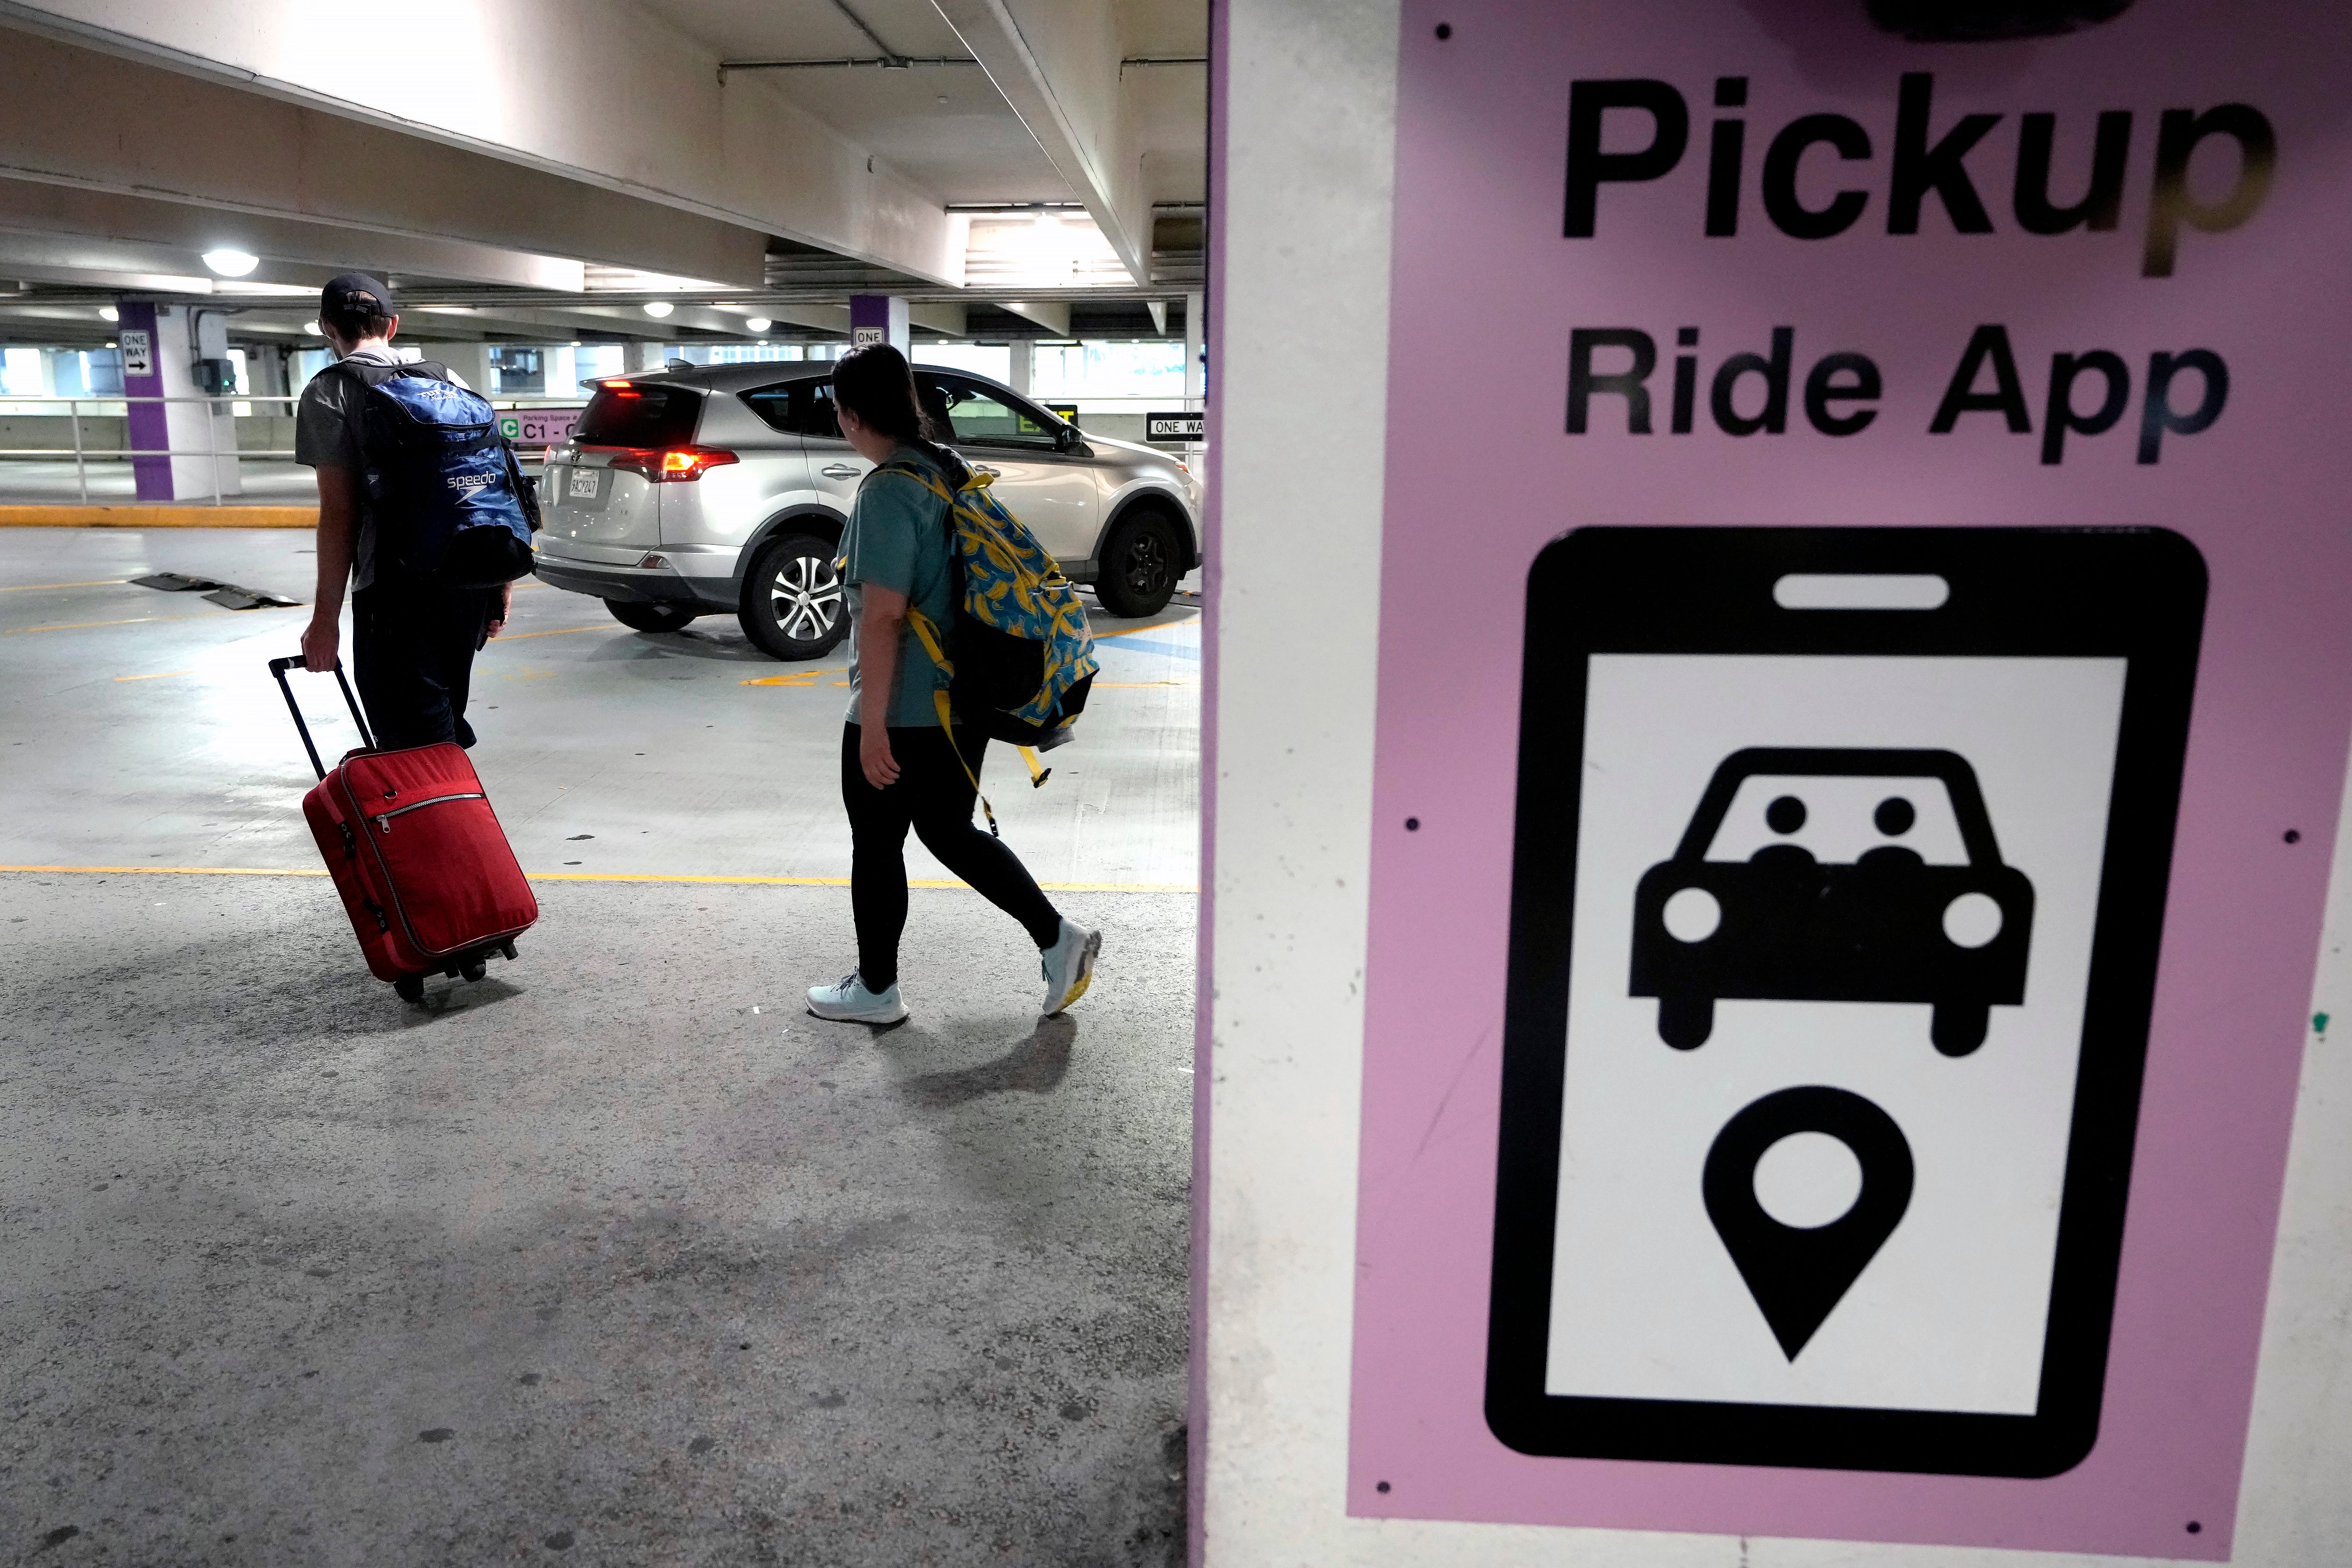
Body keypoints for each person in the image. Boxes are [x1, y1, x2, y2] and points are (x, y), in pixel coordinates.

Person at [806, 345, 1101, 1024]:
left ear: (850, 416)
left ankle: (877, 989)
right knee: (947, 829)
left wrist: (871, 724)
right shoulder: (944, 466)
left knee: (878, 842)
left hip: (906, 709)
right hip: (961, 699)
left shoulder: (886, 490)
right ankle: (1059, 939)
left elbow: (881, 618)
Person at [295, 272, 509, 745]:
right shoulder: (446, 380)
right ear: (392, 325)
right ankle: (450, 810)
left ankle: (445, 817)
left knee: (411, 740)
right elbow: (490, 482)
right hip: (465, 581)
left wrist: (325, 619)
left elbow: (340, 514)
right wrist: (498, 583)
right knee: (441, 720)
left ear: (327, 327)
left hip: (394, 592)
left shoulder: (330, 391)